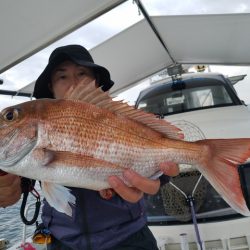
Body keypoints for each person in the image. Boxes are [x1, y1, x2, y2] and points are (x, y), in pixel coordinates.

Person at [0, 45, 179, 250]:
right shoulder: (26, 149)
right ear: (51, 86)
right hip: (63, 242)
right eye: (63, 77)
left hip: (129, 237)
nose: (74, 82)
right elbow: (17, 184)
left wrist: (160, 176)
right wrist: (5, 187)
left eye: (82, 73)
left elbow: (157, 155)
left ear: (95, 81)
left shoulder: (122, 119)